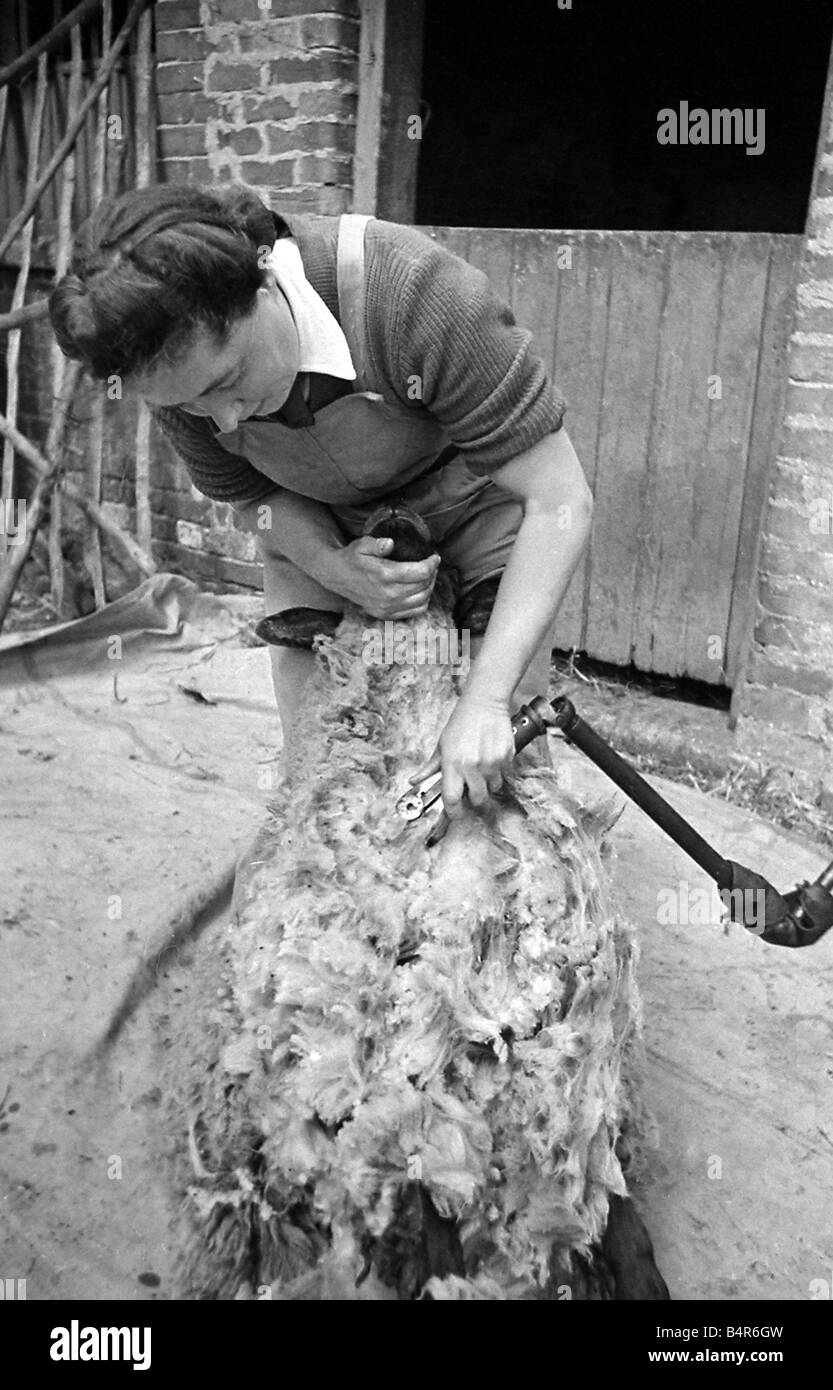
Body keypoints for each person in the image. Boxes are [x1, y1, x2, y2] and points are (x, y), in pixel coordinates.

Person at [49, 183, 593, 822]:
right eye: (192, 404)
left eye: (228, 380)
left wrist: (486, 703)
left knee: (496, 779)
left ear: (264, 283)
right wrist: (334, 568)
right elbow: (256, 498)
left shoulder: (415, 295)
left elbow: (561, 500)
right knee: (323, 780)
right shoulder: (179, 378)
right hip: (322, 522)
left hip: (478, 501)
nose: (223, 416)